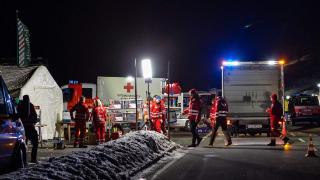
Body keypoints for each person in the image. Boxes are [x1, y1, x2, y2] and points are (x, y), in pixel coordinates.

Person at [18, 95, 38, 163]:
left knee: (24, 144)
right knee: (35, 143)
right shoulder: (29, 105)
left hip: (23, 127)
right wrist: (33, 121)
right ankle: (32, 159)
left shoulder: (20, 106)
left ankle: (25, 160)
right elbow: (34, 116)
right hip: (28, 127)